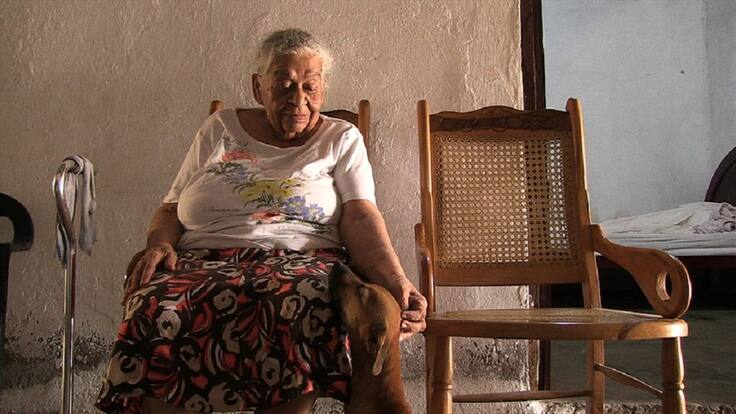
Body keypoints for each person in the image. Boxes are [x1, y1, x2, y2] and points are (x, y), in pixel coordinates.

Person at [96, 28, 427, 414]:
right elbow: (171, 209)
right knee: (154, 304)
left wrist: (397, 281)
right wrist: (160, 244)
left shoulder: (341, 137)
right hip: (200, 258)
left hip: (300, 261)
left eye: (310, 86)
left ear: (323, 88)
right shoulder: (219, 128)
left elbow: (361, 216)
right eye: (284, 85)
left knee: (297, 304)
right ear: (258, 88)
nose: (298, 100)